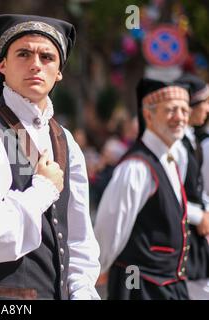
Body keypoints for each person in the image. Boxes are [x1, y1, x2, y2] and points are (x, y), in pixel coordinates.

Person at [0, 14, 100, 300]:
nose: (36, 64)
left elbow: (78, 237)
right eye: (24, 54)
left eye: (47, 57)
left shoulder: (65, 140)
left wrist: (82, 292)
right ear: (3, 64)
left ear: (59, 71)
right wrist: (42, 191)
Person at [94, 78, 192, 300]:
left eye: (184, 111)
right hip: (137, 281)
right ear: (148, 115)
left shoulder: (171, 159)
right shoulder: (137, 166)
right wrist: (99, 268)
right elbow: (111, 224)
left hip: (169, 284)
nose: (179, 117)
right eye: (170, 110)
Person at [175, 73, 209, 280]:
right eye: (205, 102)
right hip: (185, 237)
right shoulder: (178, 145)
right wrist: (199, 216)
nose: (207, 108)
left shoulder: (191, 141)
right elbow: (173, 194)